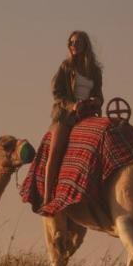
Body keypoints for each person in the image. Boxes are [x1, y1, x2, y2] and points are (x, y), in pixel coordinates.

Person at [42, 31, 104, 205]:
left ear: (85, 44)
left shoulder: (95, 71)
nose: (74, 45)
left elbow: (99, 94)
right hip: (66, 115)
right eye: (71, 42)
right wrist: (72, 105)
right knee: (55, 152)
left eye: (77, 42)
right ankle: (47, 198)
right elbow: (56, 92)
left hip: (87, 114)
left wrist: (96, 101)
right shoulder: (66, 67)